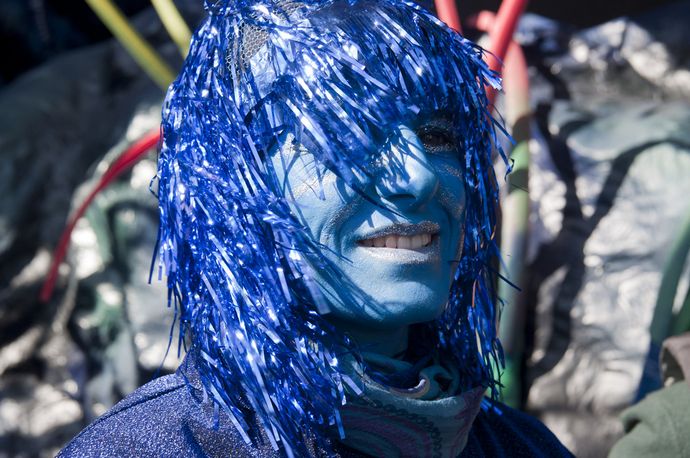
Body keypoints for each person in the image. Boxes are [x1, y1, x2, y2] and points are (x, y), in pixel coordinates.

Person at [59, 0, 572, 456]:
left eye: (437, 135)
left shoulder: (518, 446)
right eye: (348, 135)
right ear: (237, 187)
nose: (417, 177)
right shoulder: (149, 448)